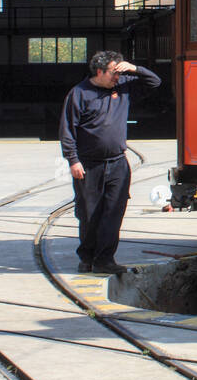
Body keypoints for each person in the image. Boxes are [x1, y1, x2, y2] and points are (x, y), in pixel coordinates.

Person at [60, 51, 161, 274]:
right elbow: (68, 130)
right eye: (113, 72)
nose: (117, 76)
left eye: (119, 72)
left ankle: (105, 259)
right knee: (89, 213)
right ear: (99, 72)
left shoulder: (123, 86)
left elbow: (155, 81)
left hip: (117, 163)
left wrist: (134, 69)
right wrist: (73, 160)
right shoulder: (79, 93)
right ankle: (87, 257)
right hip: (88, 165)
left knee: (114, 212)